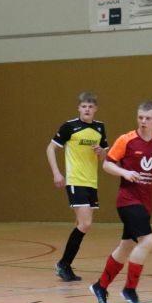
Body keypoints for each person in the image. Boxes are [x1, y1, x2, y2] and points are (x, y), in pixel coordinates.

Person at [89, 101, 152, 303]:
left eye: (148, 118)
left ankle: (100, 286)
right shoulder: (126, 140)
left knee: (125, 247)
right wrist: (124, 172)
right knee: (147, 241)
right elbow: (107, 164)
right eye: (140, 117)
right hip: (127, 200)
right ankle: (130, 289)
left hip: (146, 203)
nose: (143, 121)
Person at [45, 92, 108, 282]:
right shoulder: (70, 126)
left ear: (95, 109)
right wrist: (56, 173)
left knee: (81, 224)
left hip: (91, 182)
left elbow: (105, 157)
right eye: (84, 106)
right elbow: (50, 148)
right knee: (86, 224)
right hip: (75, 180)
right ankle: (63, 264)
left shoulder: (100, 128)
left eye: (90, 106)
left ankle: (66, 265)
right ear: (79, 108)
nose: (87, 109)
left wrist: (101, 152)